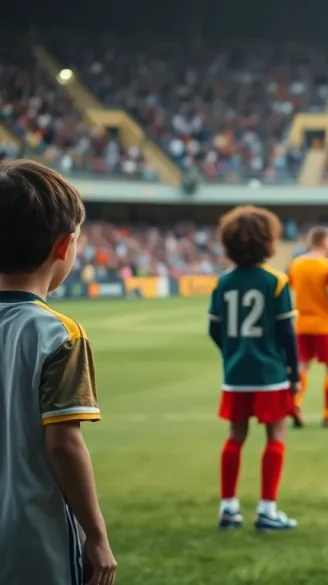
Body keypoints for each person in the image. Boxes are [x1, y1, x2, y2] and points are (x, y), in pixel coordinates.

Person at [0, 160, 117, 585]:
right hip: (31, 538)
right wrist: (98, 537)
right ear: (64, 246)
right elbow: (63, 446)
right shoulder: (59, 334)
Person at [210, 206, 301, 532]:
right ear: (268, 241)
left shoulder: (223, 283)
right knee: (276, 435)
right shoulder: (276, 282)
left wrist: (233, 353)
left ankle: (228, 508)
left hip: (235, 376)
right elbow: (286, 334)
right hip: (270, 375)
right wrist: (293, 373)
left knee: (235, 437)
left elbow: (214, 330)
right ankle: (266, 509)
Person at [287, 226, 328, 429]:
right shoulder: (327, 266)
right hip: (323, 325)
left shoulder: (296, 264)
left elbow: (291, 291)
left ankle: (295, 403)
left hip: (301, 324)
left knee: (302, 366)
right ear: (323, 242)